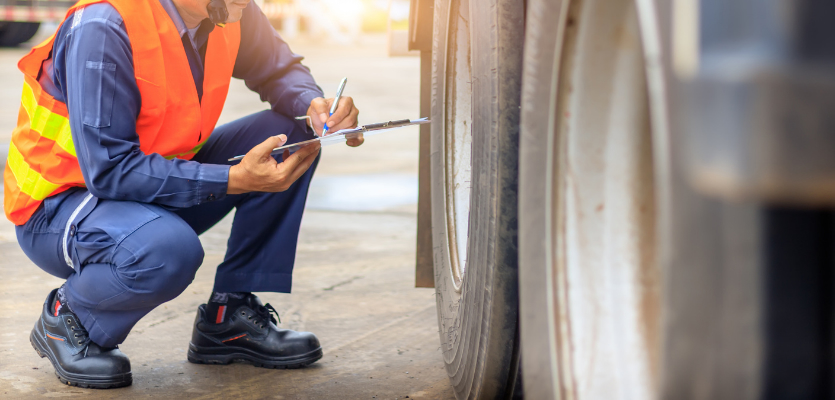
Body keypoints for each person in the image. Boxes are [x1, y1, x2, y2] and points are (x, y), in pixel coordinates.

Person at [4, 0, 362, 388]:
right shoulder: (104, 25)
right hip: (60, 205)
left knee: (294, 137)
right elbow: (109, 169)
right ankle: (69, 316)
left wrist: (314, 106)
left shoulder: (228, 9)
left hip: (146, 186)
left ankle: (228, 318)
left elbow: (279, 69)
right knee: (168, 252)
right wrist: (233, 179)